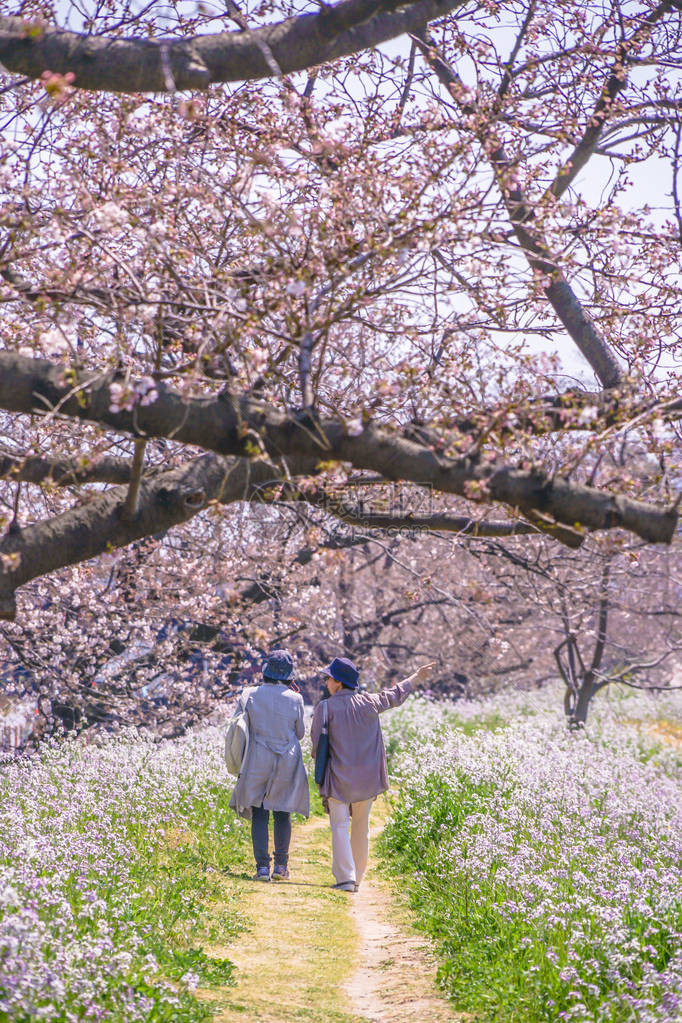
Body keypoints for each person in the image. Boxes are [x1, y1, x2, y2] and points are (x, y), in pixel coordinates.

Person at [311, 656, 434, 892]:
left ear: (338, 682)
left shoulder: (325, 708)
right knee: (361, 827)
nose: (326, 683)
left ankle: (345, 878)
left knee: (339, 825)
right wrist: (416, 677)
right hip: (367, 779)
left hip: (337, 777)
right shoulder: (370, 702)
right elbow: (395, 695)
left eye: (328, 678)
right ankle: (357, 877)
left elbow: (317, 745)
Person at [229, 649, 309, 881]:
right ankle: (281, 867)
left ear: (266, 670)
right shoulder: (296, 698)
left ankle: (262, 867)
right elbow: (301, 733)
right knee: (282, 813)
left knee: (260, 813)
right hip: (286, 759)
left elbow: (238, 727)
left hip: (257, 758)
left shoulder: (250, 694)